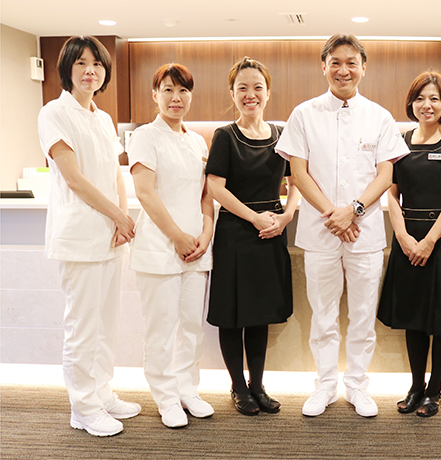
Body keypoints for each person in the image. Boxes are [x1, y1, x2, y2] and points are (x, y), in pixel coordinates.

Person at [276, 33, 410, 418]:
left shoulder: (379, 116)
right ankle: (324, 385)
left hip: (364, 231)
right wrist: (333, 215)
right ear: (324, 67)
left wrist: (353, 210)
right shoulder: (304, 114)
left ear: (363, 68)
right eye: (335, 62)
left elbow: (386, 175)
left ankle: (357, 385)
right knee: (323, 314)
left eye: (351, 62)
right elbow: (298, 174)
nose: (343, 70)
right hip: (321, 231)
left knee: (363, 315)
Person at [37, 36, 140, 436]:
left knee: (105, 322)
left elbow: (115, 173)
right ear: (67, 68)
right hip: (79, 236)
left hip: (109, 236)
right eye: (80, 63)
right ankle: (82, 407)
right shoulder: (54, 113)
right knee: (82, 325)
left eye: (96, 64)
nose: (89, 71)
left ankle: (101, 392)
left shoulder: (103, 118)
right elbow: (74, 179)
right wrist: (118, 215)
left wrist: (121, 218)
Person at [377, 71, 441, 417]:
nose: (427, 105)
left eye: (434, 98)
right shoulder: (398, 141)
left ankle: (435, 390)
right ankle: (416, 386)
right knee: (414, 317)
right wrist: (403, 237)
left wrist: (429, 240)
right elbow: (392, 194)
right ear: (411, 103)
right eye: (420, 98)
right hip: (408, 238)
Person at [206, 57, 300, 416]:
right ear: (232, 94)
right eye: (242, 88)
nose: (250, 94)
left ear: (268, 92)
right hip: (235, 231)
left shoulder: (282, 134)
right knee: (233, 314)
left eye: (257, 87)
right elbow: (215, 187)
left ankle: (258, 385)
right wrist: (254, 217)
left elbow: (297, 181)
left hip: (271, 231)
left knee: (260, 314)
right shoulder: (224, 136)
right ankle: (238, 387)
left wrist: (286, 215)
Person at [128, 63, 215, 428]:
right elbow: (145, 192)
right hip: (161, 247)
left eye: (183, 90)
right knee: (161, 329)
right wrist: (178, 237)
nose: (176, 97)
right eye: (168, 90)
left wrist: (205, 234)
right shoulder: (145, 136)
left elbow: (206, 196)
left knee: (192, 326)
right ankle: (165, 396)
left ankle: (187, 389)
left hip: (196, 249)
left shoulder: (197, 141)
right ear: (155, 95)